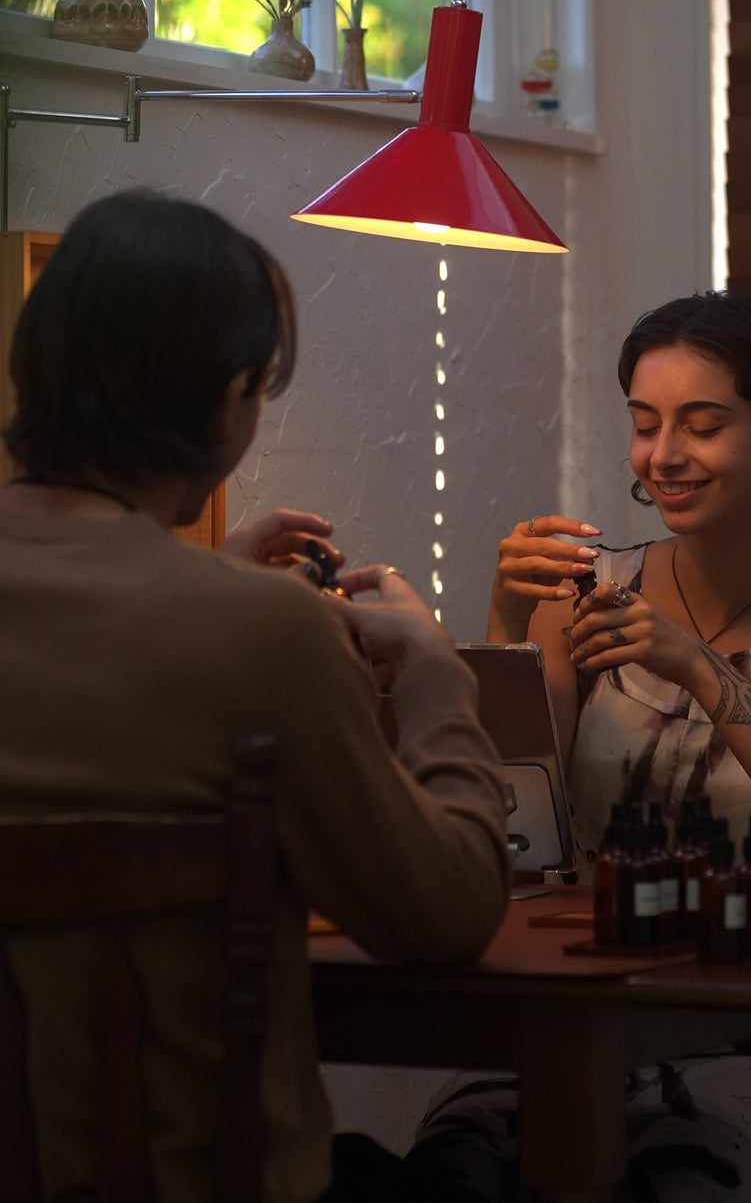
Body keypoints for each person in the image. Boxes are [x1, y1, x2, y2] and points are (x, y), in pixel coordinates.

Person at [0, 189, 510, 1203]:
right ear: (231, 395)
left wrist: (203, 575)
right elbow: (446, 910)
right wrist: (442, 685)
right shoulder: (265, 632)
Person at [410, 290, 751, 1202]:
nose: (665, 454)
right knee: (451, 1174)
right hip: (565, 1015)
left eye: (702, 424)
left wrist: (705, 672)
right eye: (646, 424)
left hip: (745, 1032)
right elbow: (505, 833)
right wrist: (507, 623)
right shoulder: (588, 594)